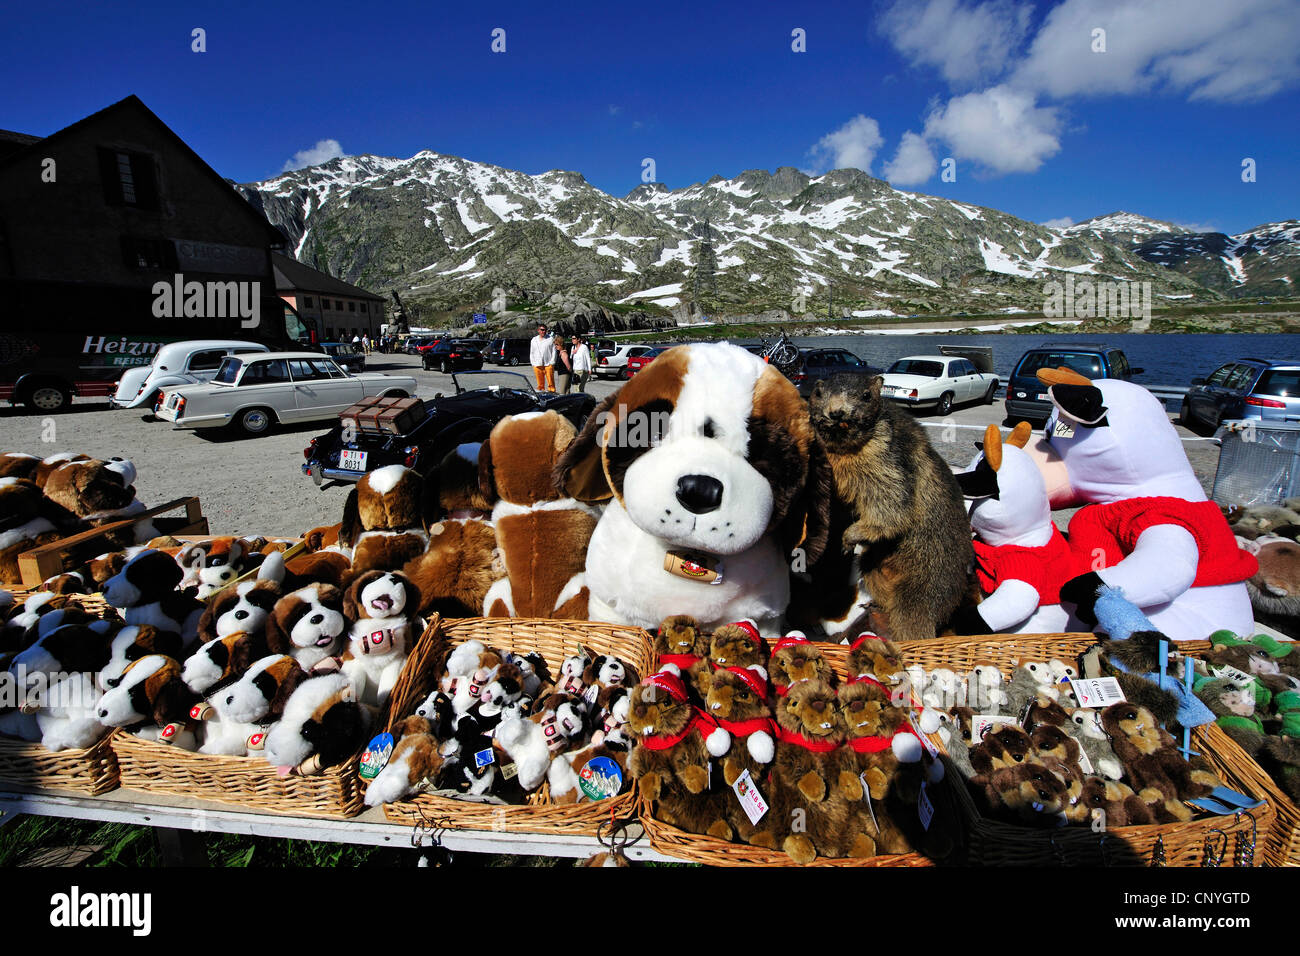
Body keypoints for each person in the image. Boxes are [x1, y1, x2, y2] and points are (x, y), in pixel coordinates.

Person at [530, 324, 556, 392]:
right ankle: (541, 393)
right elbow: (532, 352)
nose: (543, 331)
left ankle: (552, 393)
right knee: (540, 384)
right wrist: (533, 363)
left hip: (548, 364)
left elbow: (554, 351)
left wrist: (552, 362)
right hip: (537, 364)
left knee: (551, 383)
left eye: (545, 330)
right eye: (542, 330)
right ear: (538, 330)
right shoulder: (534, 340)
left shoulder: (550, 339)